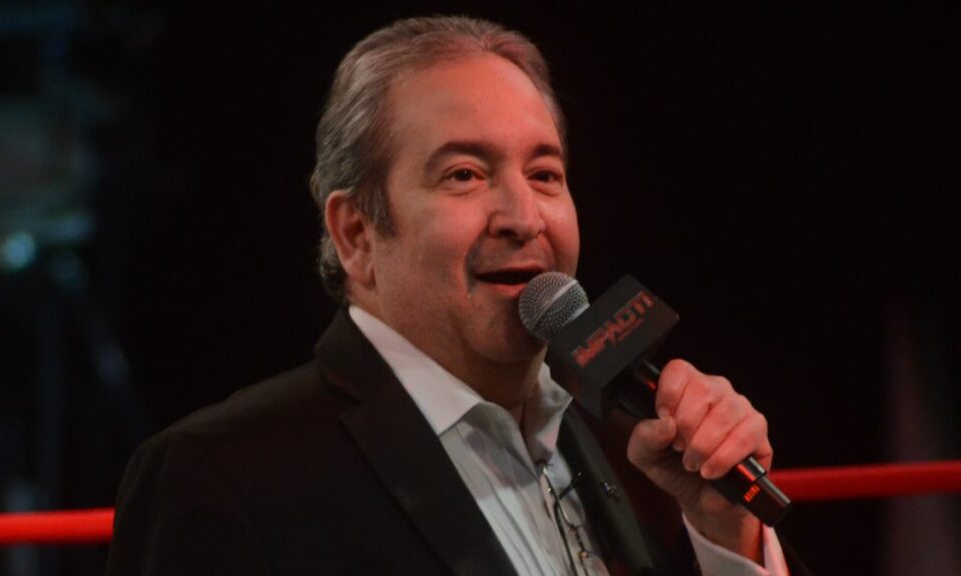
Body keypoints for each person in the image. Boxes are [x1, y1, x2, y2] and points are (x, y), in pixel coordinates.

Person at [106, 16, 810, 575]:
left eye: (545, 173)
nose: (523, 216)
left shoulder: (646, 451)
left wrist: (728, 536)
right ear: (355, 233)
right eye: (465, 175)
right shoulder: (222, 475)